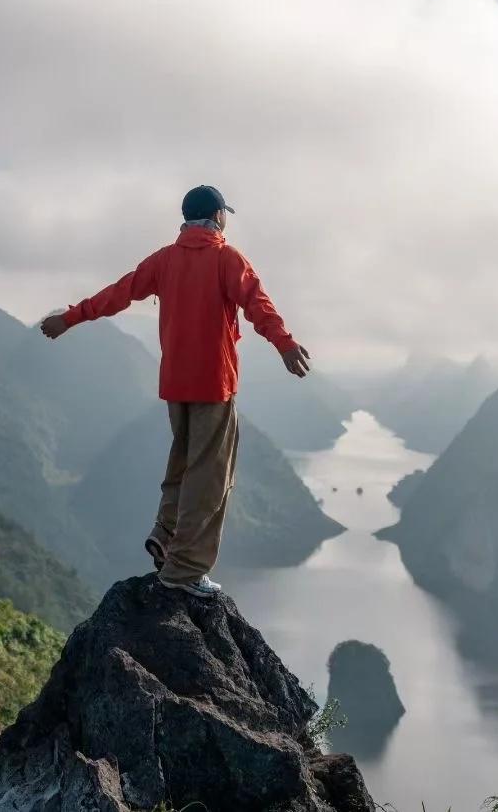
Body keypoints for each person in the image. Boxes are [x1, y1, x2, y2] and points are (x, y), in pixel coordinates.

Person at [40, 184, 309, 598]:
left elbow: (119, 293)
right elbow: (258, 304)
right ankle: (184, 571)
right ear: (217, 216)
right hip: (214, 383)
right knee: (210, 477)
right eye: (225, 213)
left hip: (175, 383)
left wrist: (69, 318)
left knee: (183, 463)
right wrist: (285, 345)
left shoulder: (165, 260)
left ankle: (165, 535)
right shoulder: (226, 258)